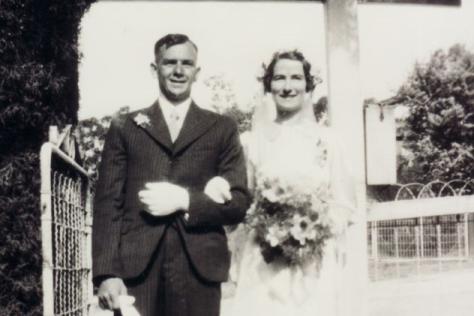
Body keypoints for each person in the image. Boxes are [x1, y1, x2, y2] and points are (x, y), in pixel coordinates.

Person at [92, 33, 251, 316]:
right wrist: (106, 274)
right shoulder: (126, 127)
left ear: (197, 71)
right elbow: (108, 204)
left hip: (199, 267)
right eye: (169, 63)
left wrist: (187, 201)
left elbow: (238, 203)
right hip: (137, 270)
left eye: (187, 64)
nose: (179, 71)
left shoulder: (221, 128)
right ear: (155, 69)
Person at [223, 50, 356, 316]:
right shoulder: (253, 141)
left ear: (308, 86)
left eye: (296, 78)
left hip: (315, 262)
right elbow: (244, 202)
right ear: (269, 85)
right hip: (264, 259)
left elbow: (344, 204)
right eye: (279, 78)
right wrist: (272, 228)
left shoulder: (330, 141)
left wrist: (314, 230)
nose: (287, 87)